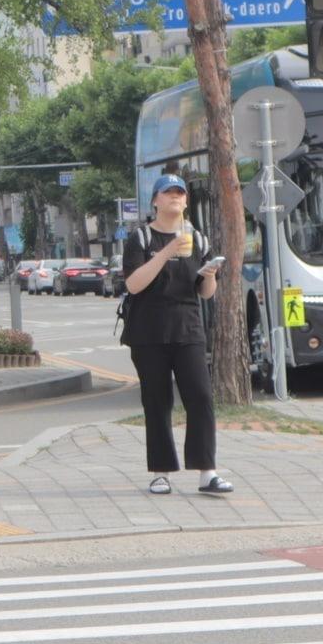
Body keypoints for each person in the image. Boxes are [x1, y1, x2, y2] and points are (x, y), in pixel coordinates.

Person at [120, 173, 232, 496]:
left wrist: (210, 275)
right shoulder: (140, 238)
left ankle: (207, 472)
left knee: (200, 397)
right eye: (168, 192)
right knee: (157, 401)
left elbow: (206, 292)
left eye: (180, 193)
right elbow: (134, 284)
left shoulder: (198, 239)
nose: (175, 197)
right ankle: (161, 472)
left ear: (186, 201)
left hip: (188, 329)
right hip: (149, 333)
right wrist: (167, 251)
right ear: (155, 201)